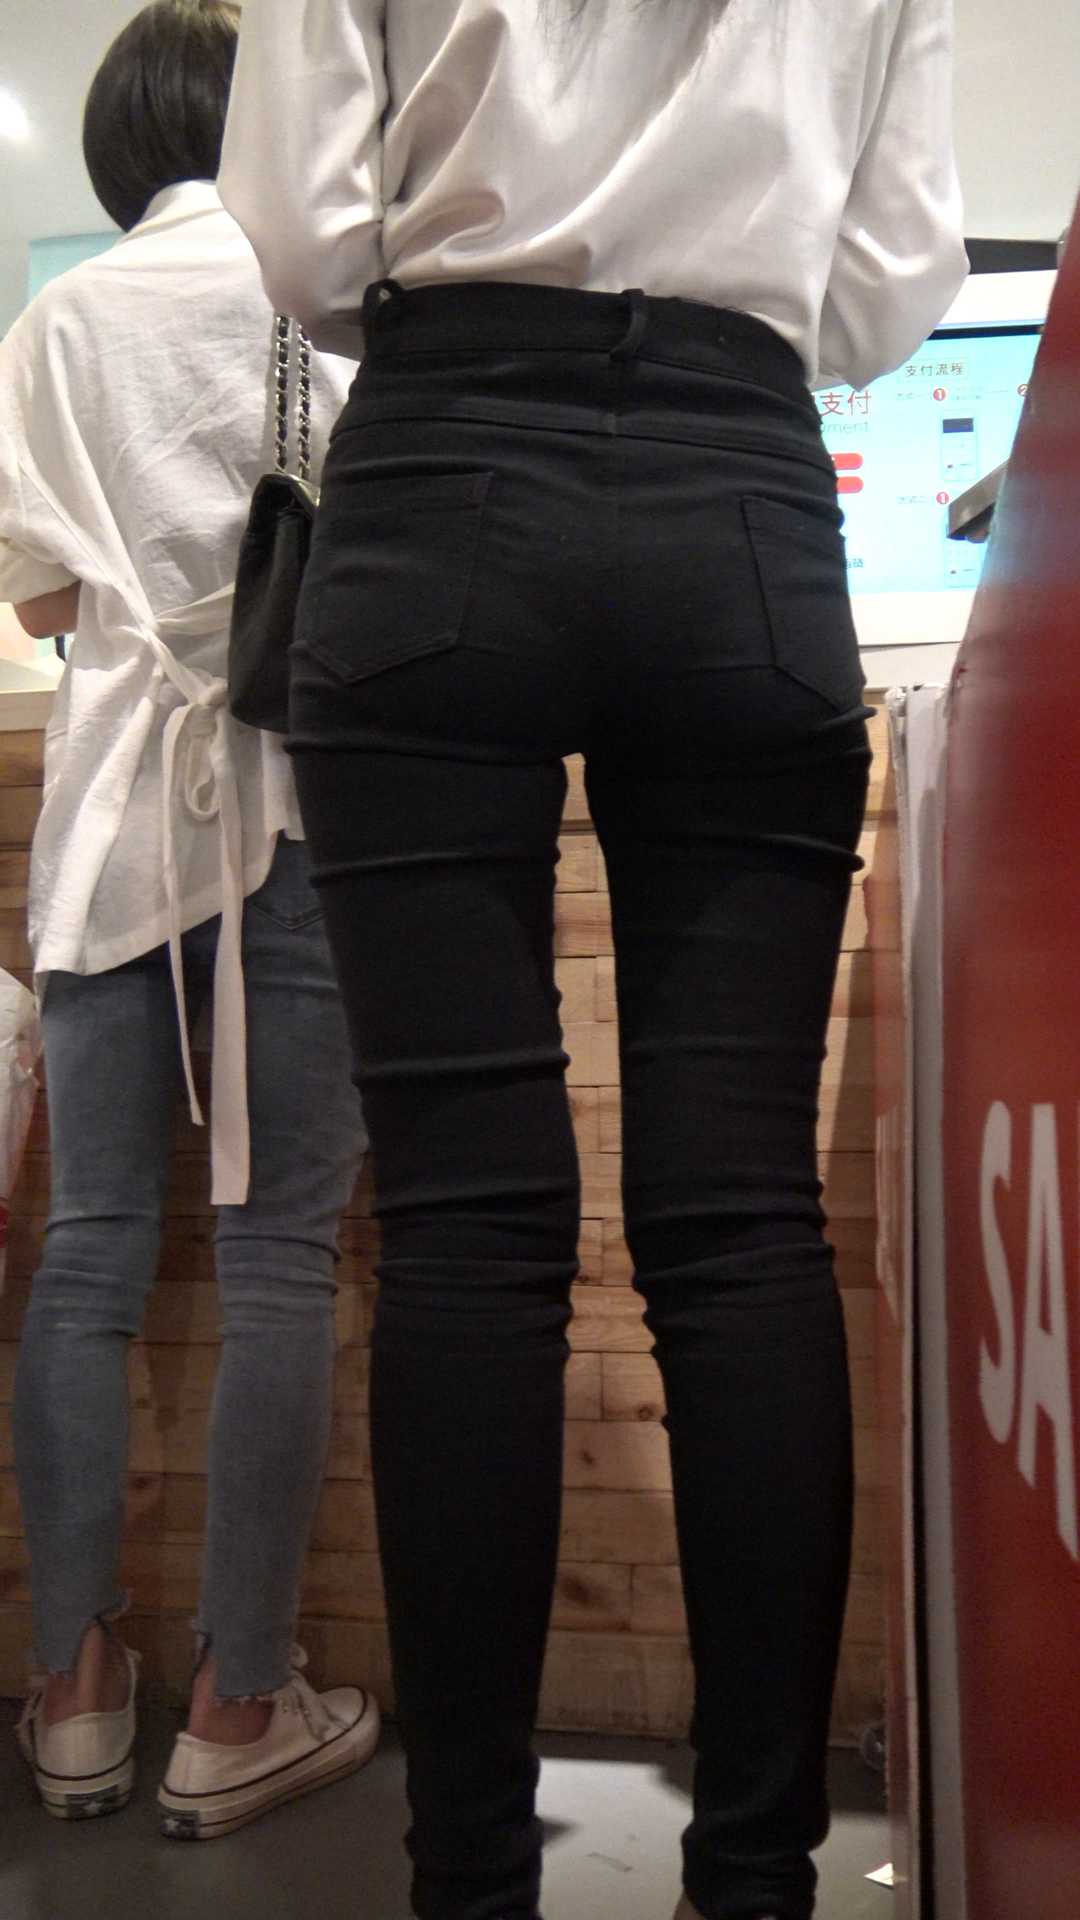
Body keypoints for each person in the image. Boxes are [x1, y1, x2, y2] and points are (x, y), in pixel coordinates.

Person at [220, 1, 967, 1914]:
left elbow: (304, 235)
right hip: (742, 494)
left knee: (469, 1230)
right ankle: (757, 1880)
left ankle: (472, 1885)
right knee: (745, 1223)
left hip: (445, 470)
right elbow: (890, 286)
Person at [0, 0, 380, 1838]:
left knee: (87, 1256)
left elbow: (43, 605)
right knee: (279, 1253)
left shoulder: (56, 322)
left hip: (104, 839)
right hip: (291, 812)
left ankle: (73, 1691)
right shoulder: (332, 306)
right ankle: (238, 1704)